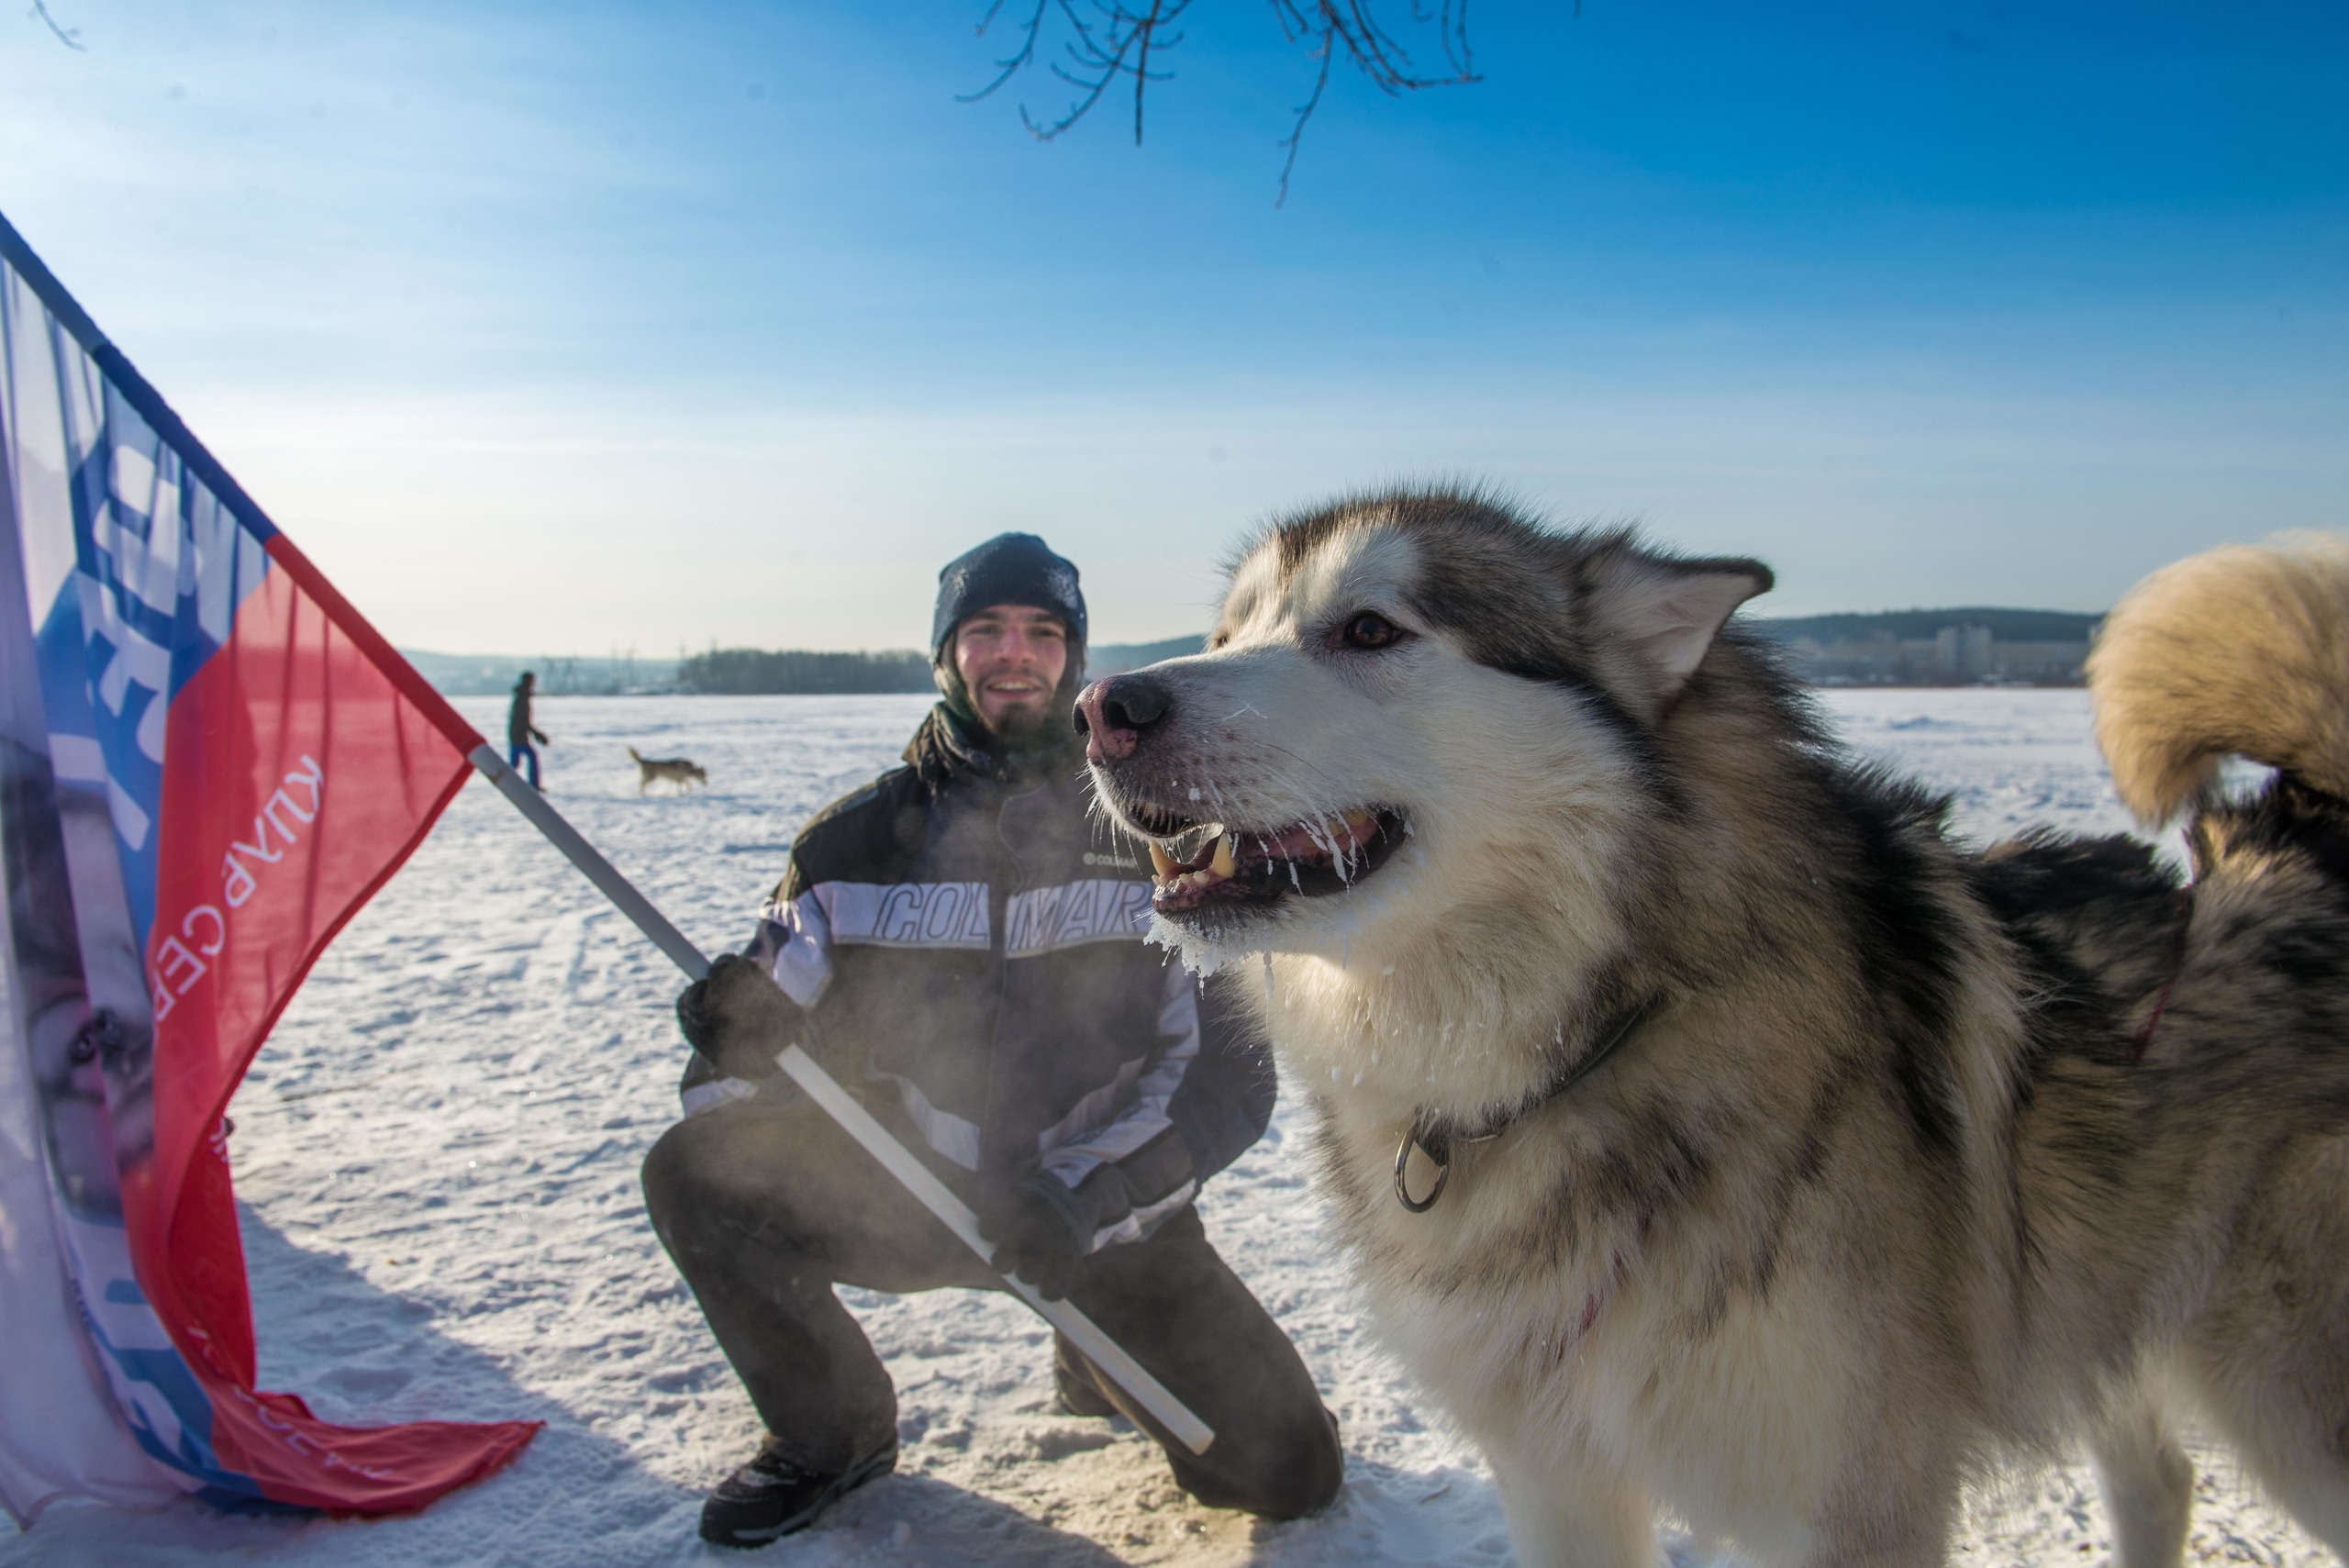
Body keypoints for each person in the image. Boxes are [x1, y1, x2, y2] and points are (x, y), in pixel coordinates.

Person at [640, 533, 1343, 1549]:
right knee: (695, 1171)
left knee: (1287, 1471)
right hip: (907, 1189)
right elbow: (733, 1073)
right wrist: (742, 1043)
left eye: (1042, 632)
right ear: (946, 653)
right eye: (986, 630)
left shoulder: (1160, 840)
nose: (1014, 652)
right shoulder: (848, 847)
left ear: (1073, 655)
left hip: (1088, 1218)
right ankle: (832, 1432)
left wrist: (1081, 1198)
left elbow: (1226, 1082)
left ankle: (1090, 1340)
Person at [506, 671, 549, 790]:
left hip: (517, 733)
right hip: (518, 735)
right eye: (533, 680)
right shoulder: (522, 697)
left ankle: (508, 782)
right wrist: (537, 734)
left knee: (517, 761)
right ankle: (531, 785)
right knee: (525, 759)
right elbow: (523, 720)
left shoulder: (522, 695)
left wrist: (536, 734)